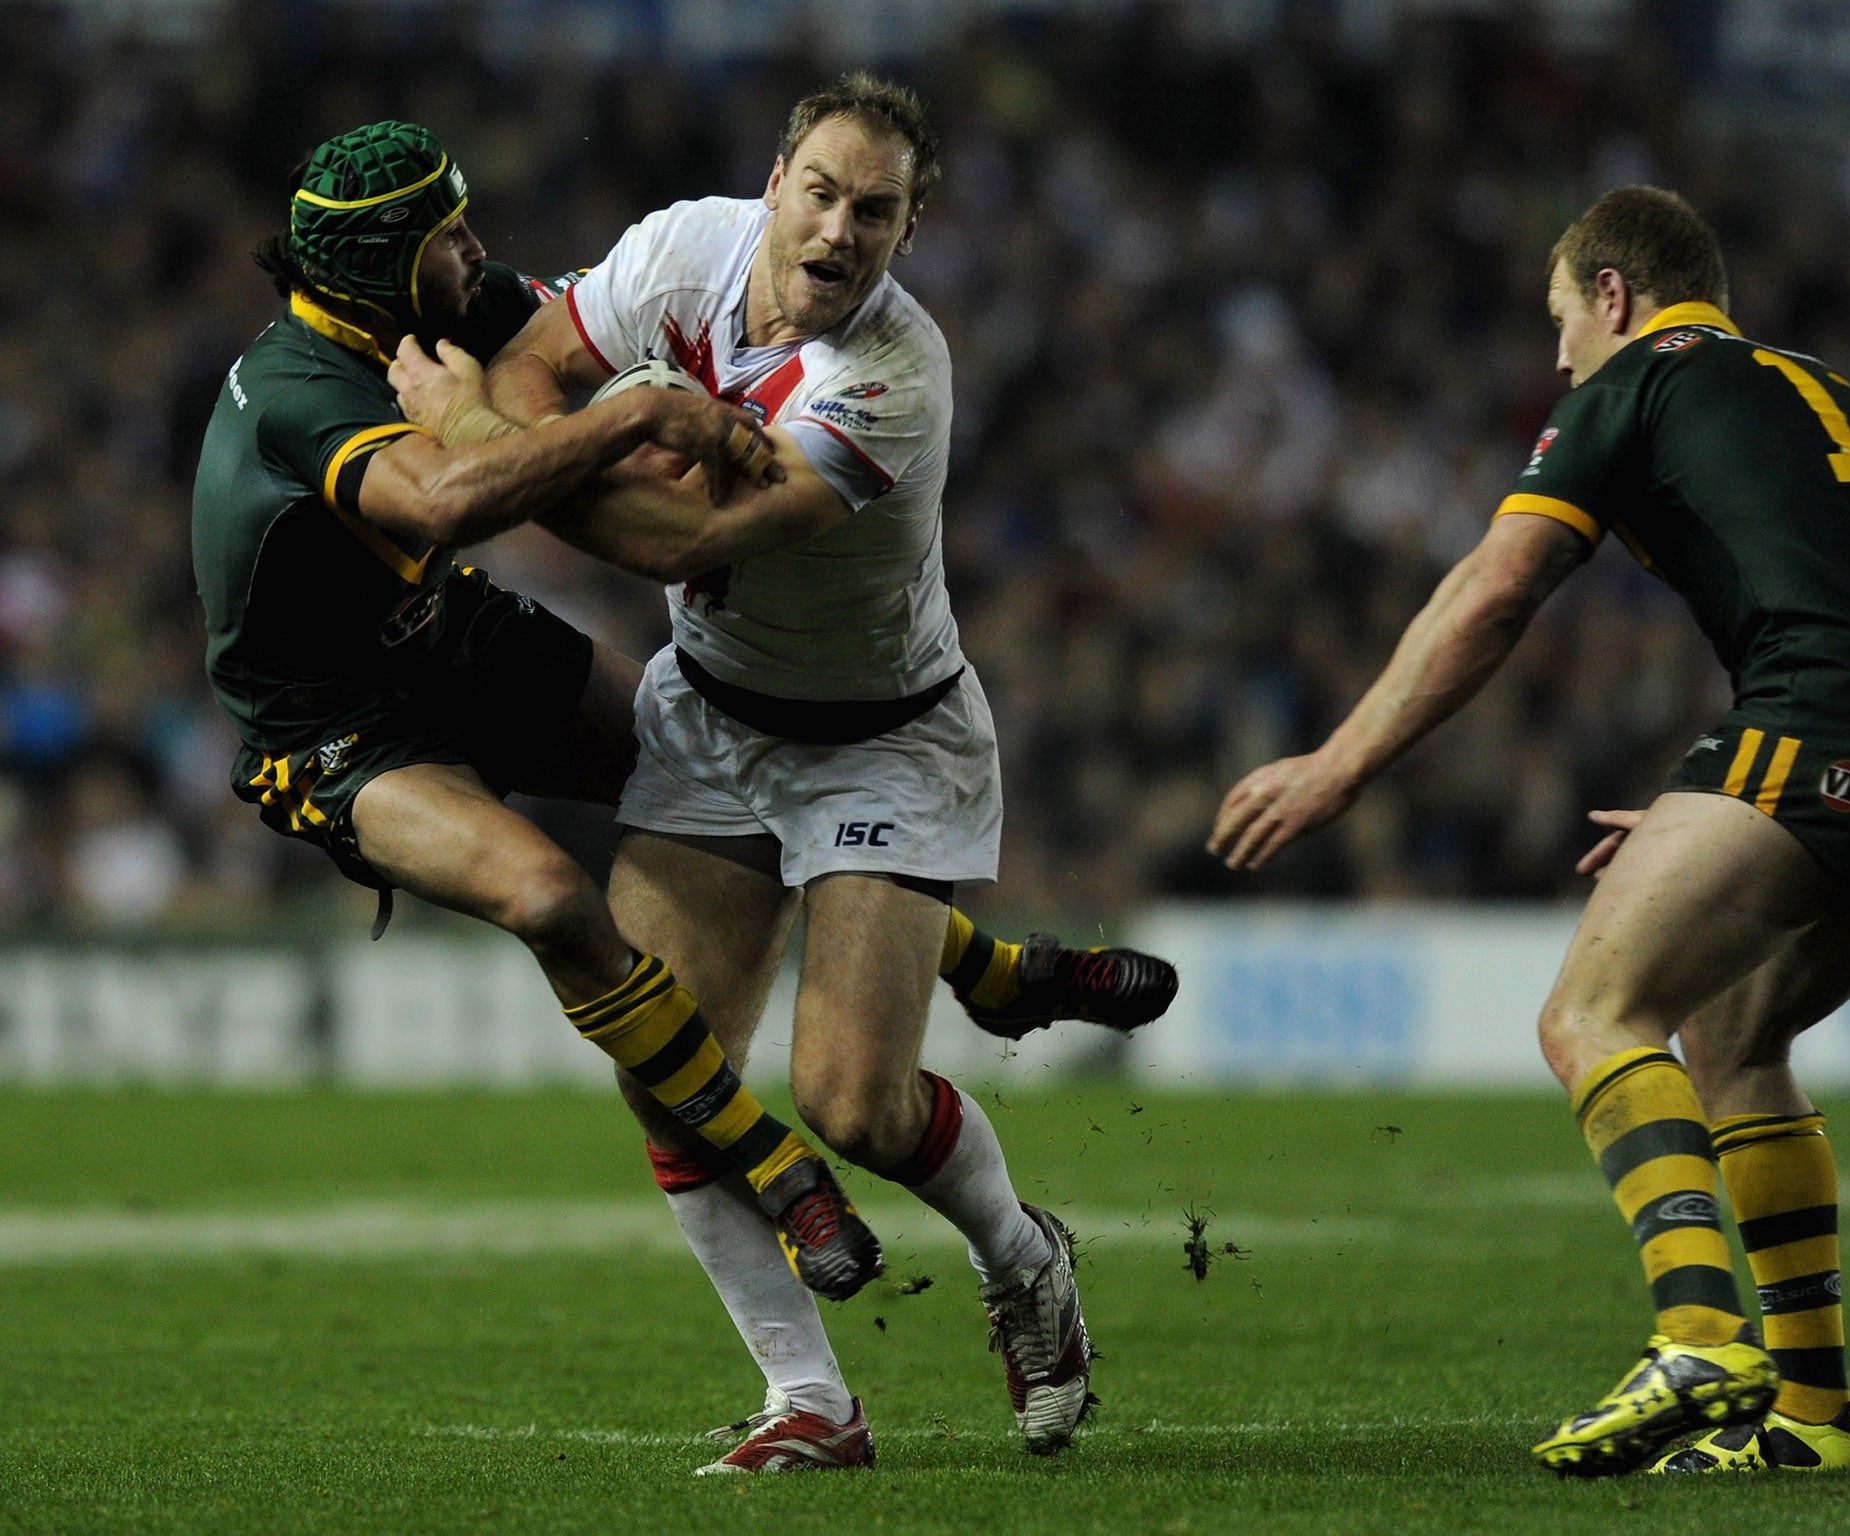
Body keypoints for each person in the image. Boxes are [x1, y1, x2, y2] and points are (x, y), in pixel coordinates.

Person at [193, 120, 1169, 1322]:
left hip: (450, 640)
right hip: (333, 724)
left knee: (718, 784)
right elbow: (445, 497)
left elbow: (536, 361)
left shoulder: (448, 307)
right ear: (384, 262)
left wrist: (553, 403)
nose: (479, 248)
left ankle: (987, 968)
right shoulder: (296, 385)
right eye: (449, 233)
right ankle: (773, 1162)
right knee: (552, 899)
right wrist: (636, 415)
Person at [1208, 186, 1850, 1479]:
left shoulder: (1638, 379)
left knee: (1591, 1014)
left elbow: (1495, 588)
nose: (1559, 355)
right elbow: (1845, 578)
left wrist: (1340, 763)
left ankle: (1698, 1336)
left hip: (1832, 719)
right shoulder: (1819, 386)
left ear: (1613, 295)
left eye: (1560, 320)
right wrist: (1733, 804)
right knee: (1734, 1038)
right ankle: (1813, 1420)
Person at [461, 74, 1174, 1472]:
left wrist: (498, 453)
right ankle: (813, 1404)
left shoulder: (895, 380)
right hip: (712, 722)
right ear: (778, 175)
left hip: (881, 741)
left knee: (854, 1105)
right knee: (673, 1078)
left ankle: (1022, 1259)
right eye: (825, 191)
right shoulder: (684, 248)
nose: (842, 230)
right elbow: (539, 368)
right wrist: (549, 427)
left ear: (913, 231)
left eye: (879, 210)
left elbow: (672, 537)